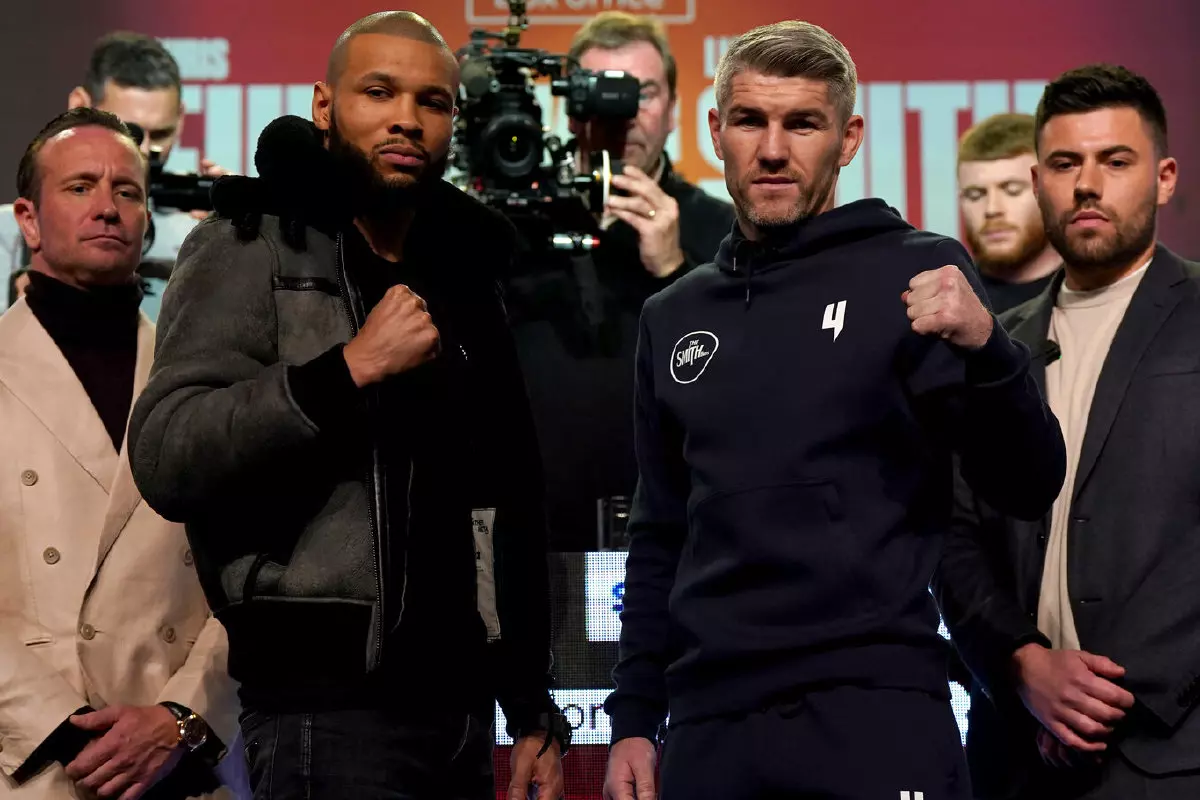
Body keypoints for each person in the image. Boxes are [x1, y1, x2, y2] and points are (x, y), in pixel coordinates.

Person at [601, 20, 1066, 800]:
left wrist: (990, 350)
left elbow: (1028, 484)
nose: (772, 149)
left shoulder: (919, 275)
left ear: (848, 139)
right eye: (750, 121)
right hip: (710, 726)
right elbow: (659, 535)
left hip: (875, 710)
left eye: (803, 124)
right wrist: (634, 719)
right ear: (715, 132)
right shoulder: (674, 315)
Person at [126, 12, 567, 800]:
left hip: (462, 715)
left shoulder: (464, 276)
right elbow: (167, 451)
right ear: (325, 106)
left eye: (432, 101)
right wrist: (346, 372)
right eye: (379, 92)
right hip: (322, 715)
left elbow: (509, 494)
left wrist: (530, 702)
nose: (408, 118)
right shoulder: (252, 243)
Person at [936, 64, 1200, 800]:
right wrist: (1022, 665)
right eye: (1063, 163)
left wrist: (1101, 700)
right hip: (1014, 758)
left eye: (1115, 161)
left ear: (1165, 178)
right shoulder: (990, 348)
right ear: (1038, 179)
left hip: (1175, 754)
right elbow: (952, 538)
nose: (1086, 184)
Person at [0, 108, 241, 799]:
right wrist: (59, 727)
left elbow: (252, 576)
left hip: (179, 767)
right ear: (28, 219)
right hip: (32, 764)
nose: (107, 207)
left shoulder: (204, 384)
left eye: (127, 191)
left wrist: (181, 716)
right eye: (80, 187)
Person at [504, 11, 735, 551]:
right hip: (537, 536)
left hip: (682, 537)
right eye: (601, 91)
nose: (622, 111)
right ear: (569, 108)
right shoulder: (509, 231)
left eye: (643, 93)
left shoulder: (725, 231)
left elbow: (750, 393)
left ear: (673, 110)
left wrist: (676, 271)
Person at [0, 32, 226, 315]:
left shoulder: (203, 234)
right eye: (129, 132)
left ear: (180, 119)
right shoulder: (8, 236)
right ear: (80, 106)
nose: (145, 151)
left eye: (161, 134)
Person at [958, 113, 1062, 313]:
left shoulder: (1097, 294)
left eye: (1012, 190)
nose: (992, 209)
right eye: (975, 195)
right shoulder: (942, 307)